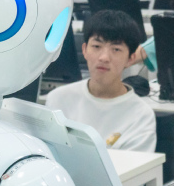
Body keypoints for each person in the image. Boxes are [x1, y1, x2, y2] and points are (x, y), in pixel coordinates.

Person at [46, 10, 156, 153]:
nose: (104, 57)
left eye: (116, 49)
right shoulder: (58, 100)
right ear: (85, 50)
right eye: (97, 46)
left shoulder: (141, 115)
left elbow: (135, 166)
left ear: (130, 58)